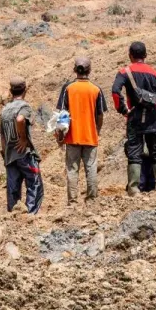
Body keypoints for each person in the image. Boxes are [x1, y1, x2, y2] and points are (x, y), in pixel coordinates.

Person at [113, 41, 156, 196]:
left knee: (135, 151)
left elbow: (115, 92)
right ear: (145, 56)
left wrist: (123, 110)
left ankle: (134, 189)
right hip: (154, 118)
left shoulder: (125, 72)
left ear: (130, 55)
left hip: (135, 118)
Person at [57, 56, 105, 204]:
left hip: (72, 136)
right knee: (91, 167)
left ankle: (72, 201)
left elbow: (62, 114)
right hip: (90, 136)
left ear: (74, 70)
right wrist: (96, 131)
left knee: (72, 169)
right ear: (89, 70)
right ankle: (91, 199)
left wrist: (60, 134)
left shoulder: (68, 88)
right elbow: (100, 115)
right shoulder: (96, 89)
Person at [0, 78, 44, 214]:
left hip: (10, 155)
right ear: (25, 90)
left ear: (10, 91)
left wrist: (5, 154)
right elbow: (20, 119)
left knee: (13, 188)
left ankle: (14, 215)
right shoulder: (23, 107)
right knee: (35, 184)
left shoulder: (5, 110)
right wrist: (23, 139)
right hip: (24, 153)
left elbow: (2, 136)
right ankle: (30, 214)